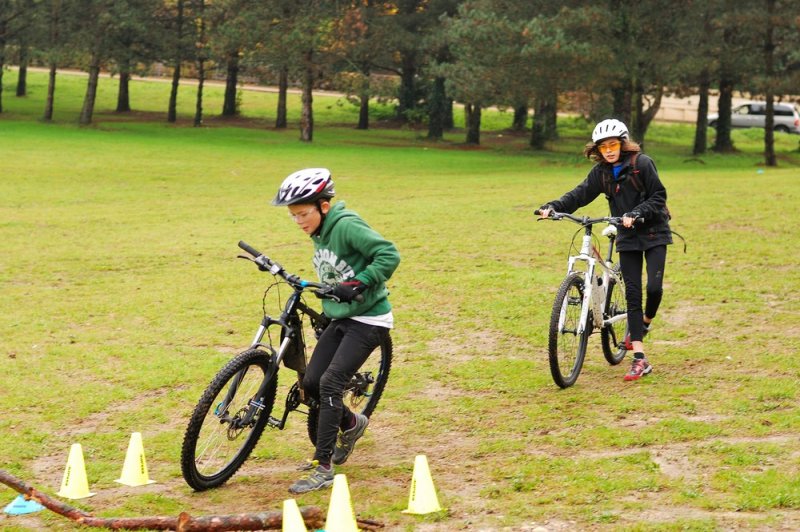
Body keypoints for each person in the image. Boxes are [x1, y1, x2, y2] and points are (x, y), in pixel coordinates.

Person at [271, 168, 400, 493]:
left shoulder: (345, 224)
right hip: (342, 317)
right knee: (311, 383)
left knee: (330, 383)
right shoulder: (319, 231)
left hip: (369, 318)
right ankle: (353, 423)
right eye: (293, 216)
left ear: (323, 206)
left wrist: (358, 282)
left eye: (303, 213)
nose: (299, 221)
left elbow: (389, 254)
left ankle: (323, 465)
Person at [538, 119, 672, 381]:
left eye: (613, 145)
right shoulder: (600, 173)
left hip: (654, 231)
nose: (609, 150)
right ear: (597, 150)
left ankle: (644, 323)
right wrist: (552, 206)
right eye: (603, 147)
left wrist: (636, 212)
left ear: (623, 144)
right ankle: (640, 359)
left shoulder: (642, 164)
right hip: (628, 236)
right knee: (633, 293)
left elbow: (658, 197)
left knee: (653, 289)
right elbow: (579, 195)